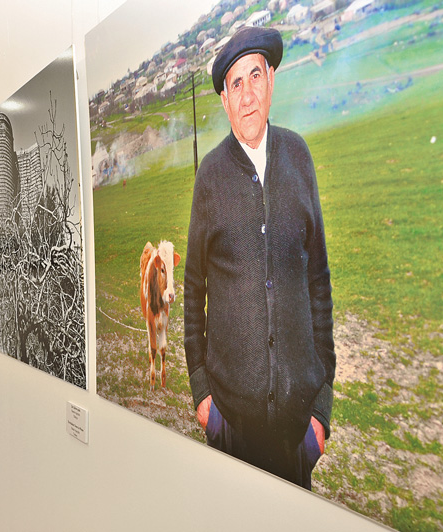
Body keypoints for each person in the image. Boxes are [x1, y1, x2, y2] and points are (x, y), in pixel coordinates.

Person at [183, 26, 336, 489]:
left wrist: (322, 405)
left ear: (271, 79)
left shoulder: (299, 156)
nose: (247, 95)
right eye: (236, 84)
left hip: (297, 429)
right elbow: (192, 288)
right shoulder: (210, 175)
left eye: (255, 76)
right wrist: (202, 393)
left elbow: (319, 279)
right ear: (225, 100)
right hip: (230, 425)